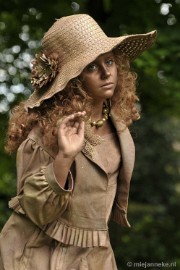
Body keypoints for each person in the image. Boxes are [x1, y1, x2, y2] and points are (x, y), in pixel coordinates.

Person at [0, 14, 156, 270]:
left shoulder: (119, 126)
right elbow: (34, 210)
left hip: (95, 257)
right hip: (35, 256)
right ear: (73, 80)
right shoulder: (47, 134)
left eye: (109, 61)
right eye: (91, 67)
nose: (107, 73)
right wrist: (64, 158)